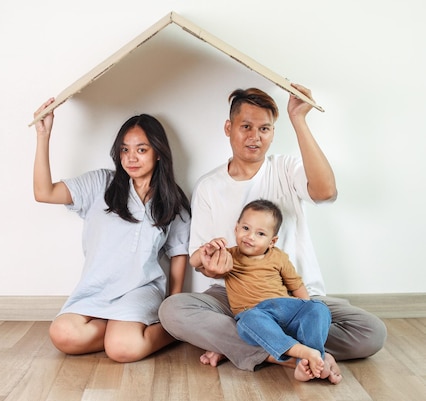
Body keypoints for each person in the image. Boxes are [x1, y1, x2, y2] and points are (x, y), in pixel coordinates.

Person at [158, 84, 387, 375]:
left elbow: (326, 191)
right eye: (246, 126)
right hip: (234, 298)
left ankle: (247, 344)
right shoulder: (208, 186)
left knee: (371, 331)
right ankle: (302, 355)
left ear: (274, 133)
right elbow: (196, 258)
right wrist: (212, 267)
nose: (255, 136)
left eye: (265, 129)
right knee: (172, 310)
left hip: (295, 299)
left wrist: (299, 120)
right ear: (229, 128)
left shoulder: (286, 169)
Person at [33, 98, 191, 363]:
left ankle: (173, 332)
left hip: (140, 290)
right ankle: (119, 329)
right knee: (62, 335)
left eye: (141, 149)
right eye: (125, 149)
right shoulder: (100, 183)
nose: (131, 157)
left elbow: (179, 254)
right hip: (96, 289)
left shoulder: (171, 200)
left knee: (122, 350)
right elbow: (44, 193)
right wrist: (43, 135)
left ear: (158, 152)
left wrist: (172, 307)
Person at [195, 199, 339, 383]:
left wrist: (308, 307)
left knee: (319, 308)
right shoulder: (229, 256)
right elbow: (200, 265)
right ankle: (304, 355)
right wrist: (206, 251)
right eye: (246, 228)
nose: (250, 236)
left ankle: (312, 360)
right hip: (256, 314)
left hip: (287, 308)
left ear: (272, 241)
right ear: (236, 228)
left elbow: (296, 286)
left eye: (260, 233)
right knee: (247, 321)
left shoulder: (279, 257)